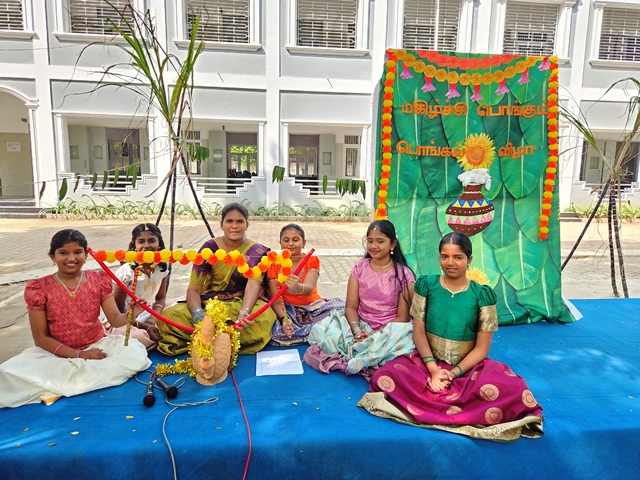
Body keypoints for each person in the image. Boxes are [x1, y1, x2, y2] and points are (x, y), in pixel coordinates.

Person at [359, 232, 544, 441]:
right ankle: (454, 407)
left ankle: (434, 405)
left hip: (467, 367)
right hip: (427, 362)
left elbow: (482, 349)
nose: (450, 263)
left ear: (469, 260)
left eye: (458, 257)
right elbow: (418, 332)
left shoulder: (482, 295)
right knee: (385, 375)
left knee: (514, 388)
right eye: (444, 256)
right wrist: (433, 370)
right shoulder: (426, 286)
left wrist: (453, 374)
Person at [0, 229, 151, 408]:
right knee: (8, 374)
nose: (71, 258)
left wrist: (132, 313)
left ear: (86, 255)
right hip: (55, 353)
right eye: (63, 253)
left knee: (134, 354)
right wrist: (79, 355)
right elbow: (40, 338)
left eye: (77, 252)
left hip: (97, 346)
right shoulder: (39, 288)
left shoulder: (98, 280)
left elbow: (115, 320)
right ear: (52, 256)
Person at [157, 203, 277, 355]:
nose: (234, 226)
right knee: (169, 317)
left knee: (263, 318)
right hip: (210, 302)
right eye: (229, 221)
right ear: (221, 225)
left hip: (240, 302)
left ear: (247, 225)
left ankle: (207, 339)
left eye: (240, 221)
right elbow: (194, 288)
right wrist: (197, 314)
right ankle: (225, 339)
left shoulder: (256, 251)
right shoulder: (209, 248)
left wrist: (245, 311)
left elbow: (253, 285)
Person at [304, 220, 415, 379]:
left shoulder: (403, 274)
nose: (373, 246)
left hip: (390, 329)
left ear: (393, 244)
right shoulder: (360, 268)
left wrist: (375, 335)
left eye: (380, 241)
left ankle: (364, 354)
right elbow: (350, 307)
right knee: (325, 332)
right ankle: (363, 352)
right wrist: (357, 331)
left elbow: (403, 317)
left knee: (403, 342)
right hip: (360, 323)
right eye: (370, 241)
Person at [267, 223, 345, 346]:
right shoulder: (274, 265)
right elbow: (276, 301)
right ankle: (314, 332)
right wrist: (283, 320)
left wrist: (296, 287)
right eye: (286, 240)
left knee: (342, 310)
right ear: (280, 243)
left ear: (304, 243)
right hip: (289, 311)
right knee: (276, 333)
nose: (290, 244)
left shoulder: (311, 260)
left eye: (295, 240)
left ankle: (315, 331)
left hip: (314, 308)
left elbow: (308, 288)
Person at [103, 223, 168, 351]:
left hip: (150, 313)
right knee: (138, 337)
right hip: (125, 320)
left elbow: (161, 298)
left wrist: (152, 319)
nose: (146, 246)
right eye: (141, 241)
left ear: (159, 243)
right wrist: (145, 326)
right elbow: (117, 312)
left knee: (177, 316)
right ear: (135, 246)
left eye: (152, 240)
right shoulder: (126, 272)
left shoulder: (161, 268)